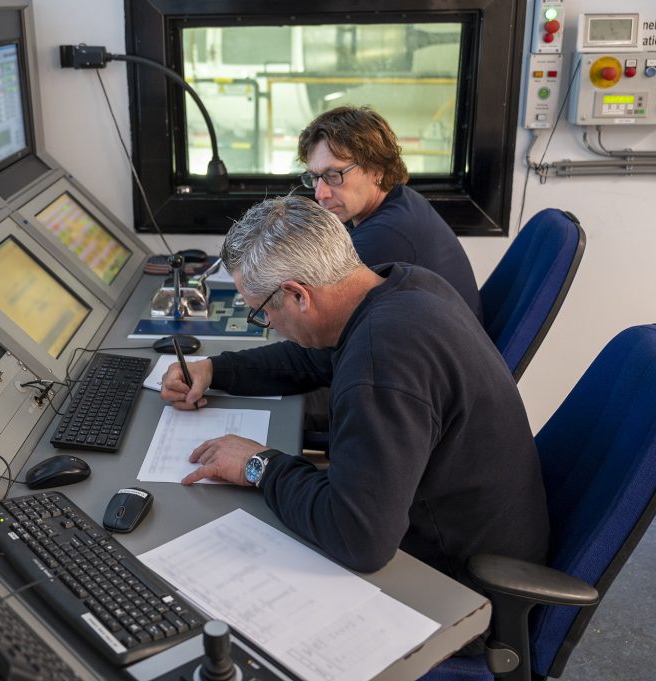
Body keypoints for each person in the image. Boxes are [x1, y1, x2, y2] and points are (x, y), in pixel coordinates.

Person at [160, 195, 548, 581]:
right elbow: (310, 358)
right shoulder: (402, 285)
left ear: (298, 295)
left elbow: (359, 540)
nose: (269, 326)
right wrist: (215, 369)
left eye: (262, 314)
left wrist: (259, 465)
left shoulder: (381, 364)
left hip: (461, 575)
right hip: (484, 528)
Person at [298, 105, 482, 321]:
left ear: (376, 170)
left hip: (438, 353)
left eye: (334, 174)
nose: (320, 192)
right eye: (314, 177)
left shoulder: (385, 235)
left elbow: (317, 314)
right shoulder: (396, 202)